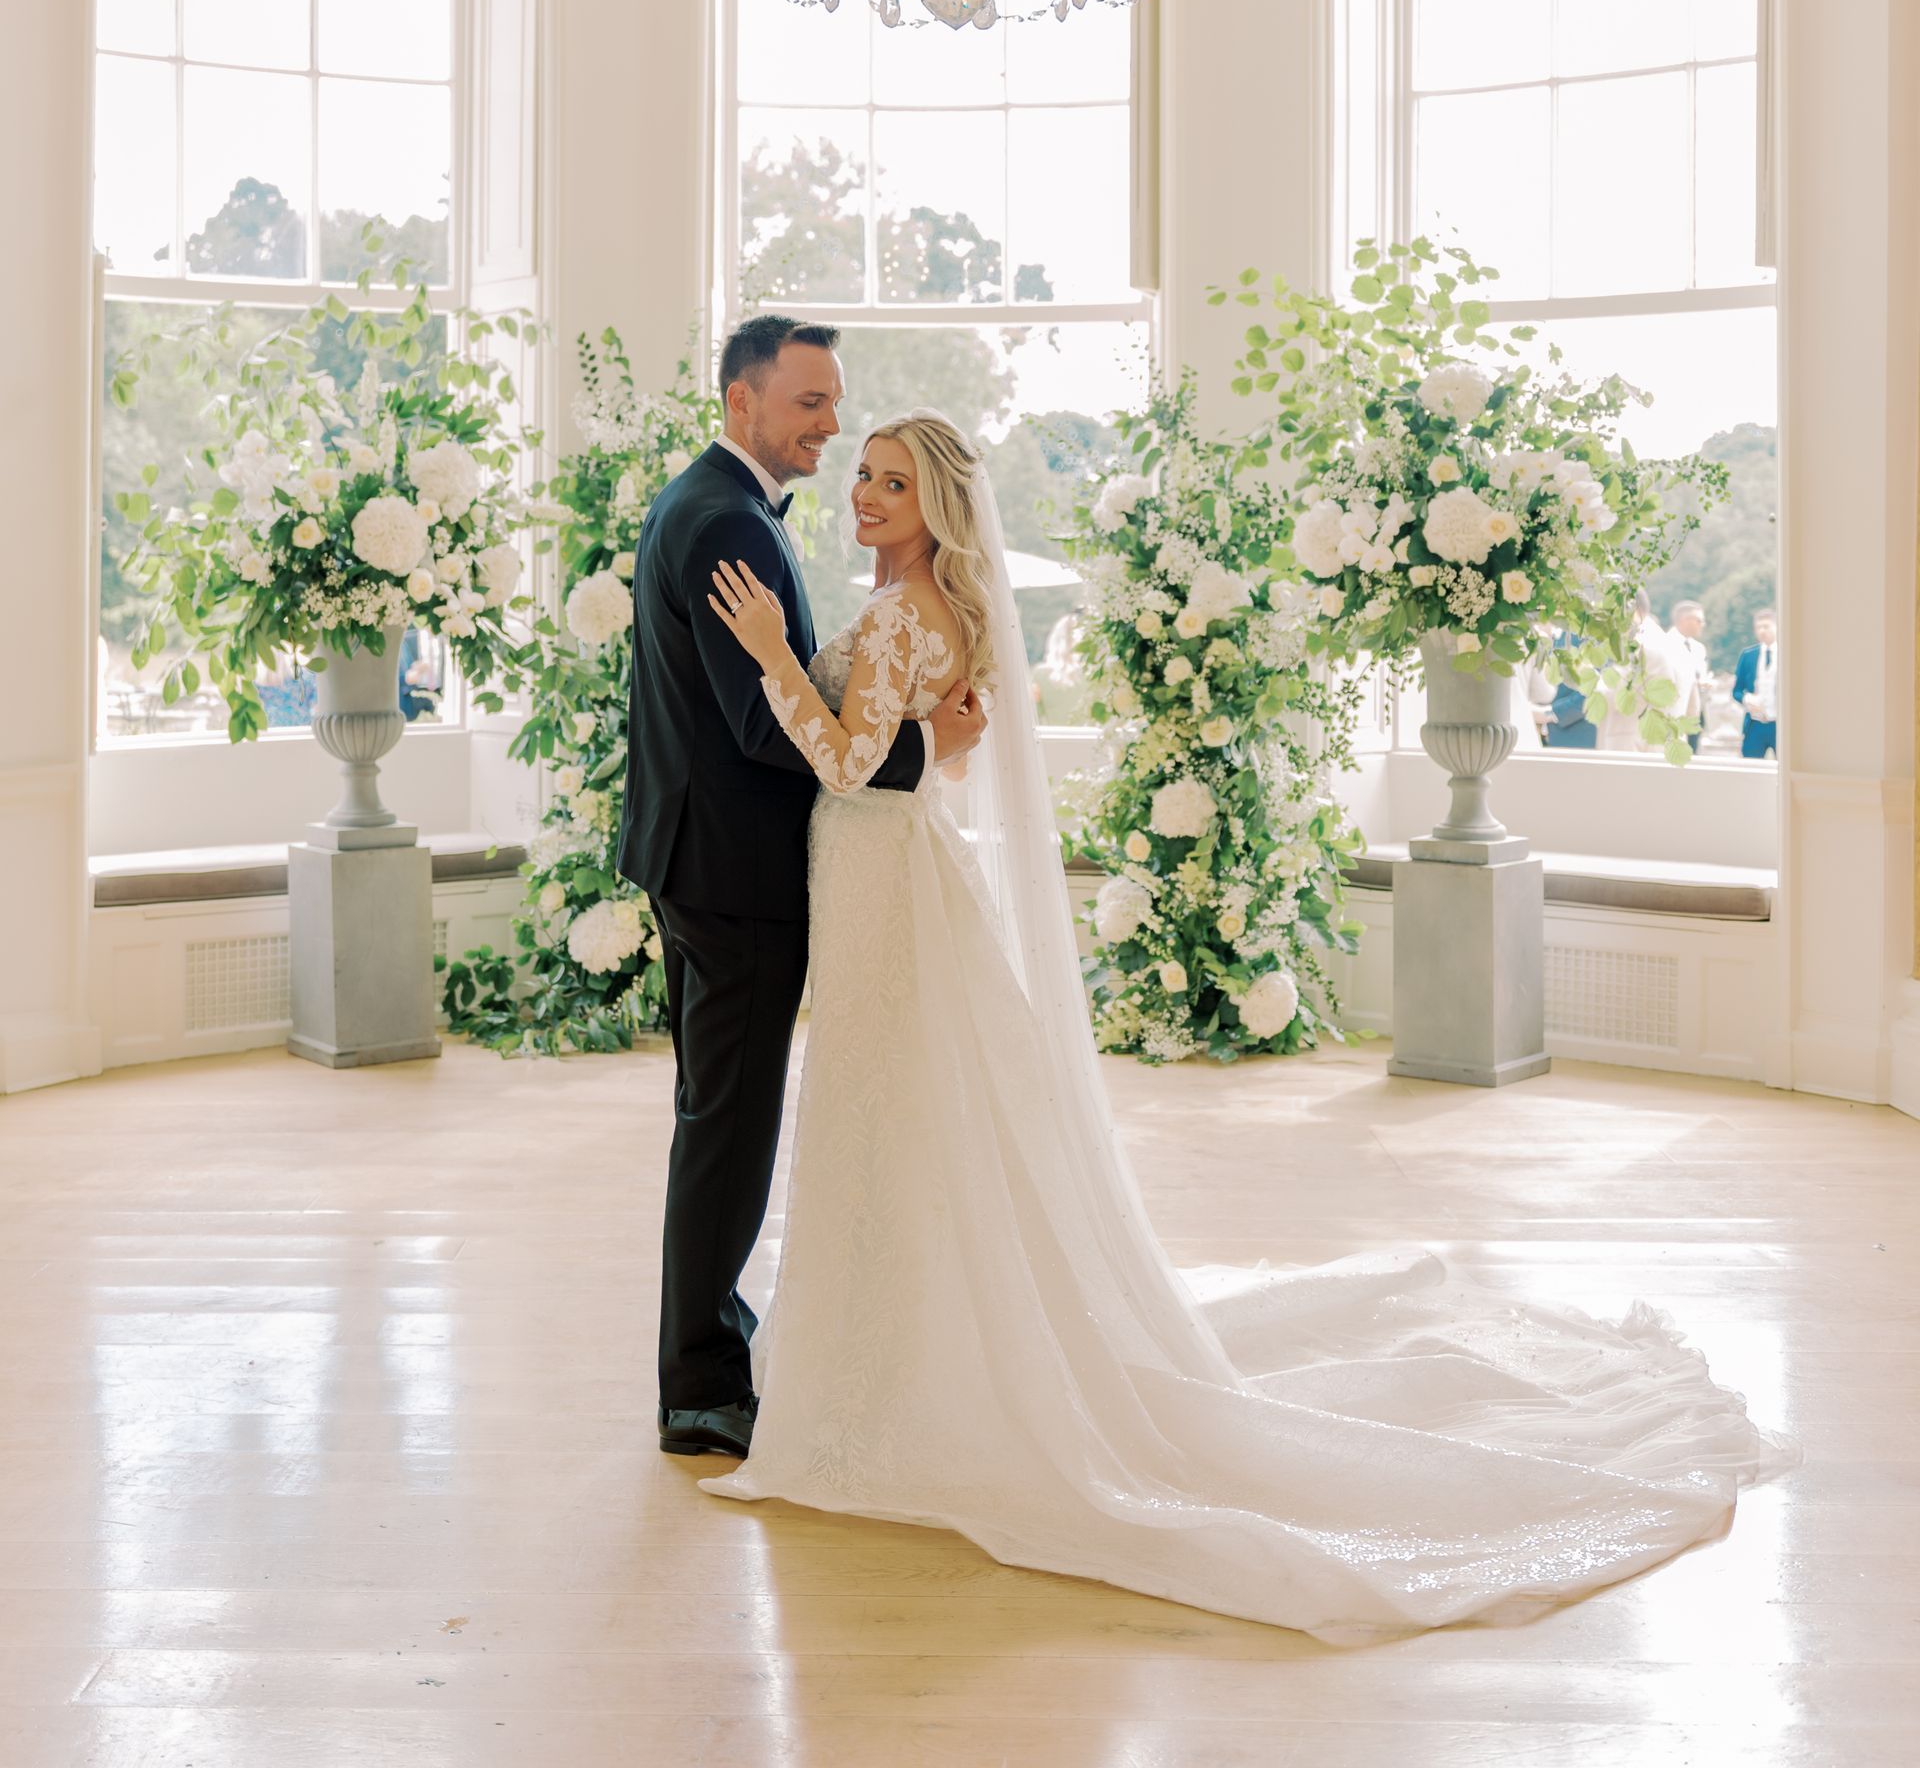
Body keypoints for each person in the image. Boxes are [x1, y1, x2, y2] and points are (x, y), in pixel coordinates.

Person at [695, 410, 1785, 1642]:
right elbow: (932, 758)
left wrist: (776, 652)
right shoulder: (941, 610)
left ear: (940, 503)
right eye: (862, 479)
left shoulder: (904, 615)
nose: (866, 499)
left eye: (893, 484)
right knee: (907, 1119)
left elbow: (847, 767)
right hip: (895, 878)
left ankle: (894, 1377)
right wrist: (900, 723)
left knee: (887, 1112)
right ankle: (899, 1355)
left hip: (883, 881)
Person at [618, 317, 986, 1460]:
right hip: (735, 874)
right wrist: (928, 750)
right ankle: (699, 1388)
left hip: (704, 857)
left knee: (721, 1121)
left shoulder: (705, 503)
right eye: (810, 405)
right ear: (742, 403)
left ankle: (718, 1337)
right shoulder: (728, 521)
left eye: (839, 406)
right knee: (729, 1129)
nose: (829, 427)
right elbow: (764, 728)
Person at [1732, 607, 1779, 759]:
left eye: (1766, 626)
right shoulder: (1748, 655)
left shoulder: (1789, 653)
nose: (1762, 631)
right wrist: (1747, 699)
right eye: (1758, 627)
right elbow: (1736, 691)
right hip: (1754, 725)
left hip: (1781, 725)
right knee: (1749, 768)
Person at [1668, 599, 1711, 754]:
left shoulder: (1699, 648)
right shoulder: (1666, 644)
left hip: (1696, 710)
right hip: (1674, 711)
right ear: (1684, 620)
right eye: (1699, 620)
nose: (1702, 624)